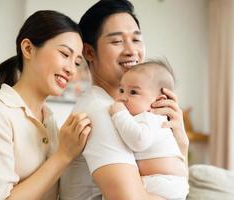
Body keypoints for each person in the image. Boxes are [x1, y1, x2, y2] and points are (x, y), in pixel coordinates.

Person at [59, 0, 189, 200]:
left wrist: (180, 142)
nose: (131, 51)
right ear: (89, 52)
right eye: (117, 41)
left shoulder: (128, 111)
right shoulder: (104, 111)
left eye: (136, 40)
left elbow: (177, 184)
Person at [0, 10, 91, 200]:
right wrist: (63, 155)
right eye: (64, 54)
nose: (71, 69)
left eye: (77, 62)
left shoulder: (49, 119)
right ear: (28, 48)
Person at [109, 60, 189, 200]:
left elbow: (139, 140)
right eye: (121, 90)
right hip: (170, 184)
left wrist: (119, 115)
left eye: (133, 92)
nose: (122, 97)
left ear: (159, 100)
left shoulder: (150, 117)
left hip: (160, 182)